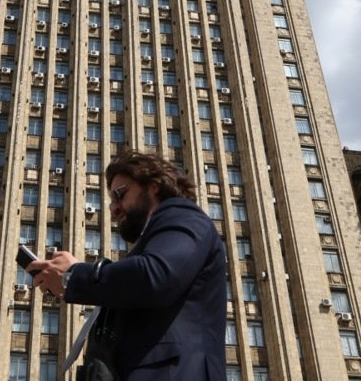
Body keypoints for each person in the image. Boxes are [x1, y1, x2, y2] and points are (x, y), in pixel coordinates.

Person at [28, 150, 226, 380]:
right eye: (112, 201)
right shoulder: (151, 241)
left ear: (153, 186)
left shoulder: (184, 216)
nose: (114, 208)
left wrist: (73, 275)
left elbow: (155, 276)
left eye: (120, 195)